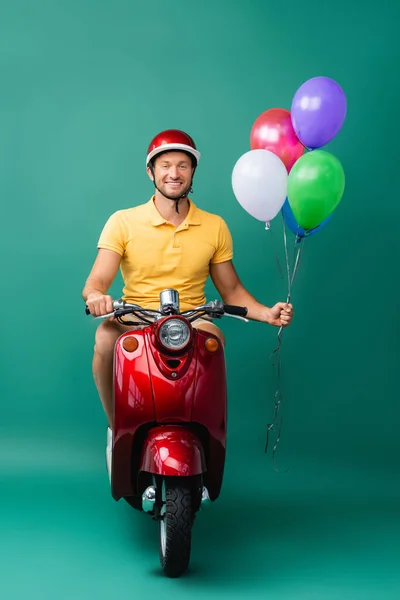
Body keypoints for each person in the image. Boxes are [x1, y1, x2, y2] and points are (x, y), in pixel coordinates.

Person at [82, 129, 294, 480]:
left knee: (213, 343)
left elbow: (233, 292)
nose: (174, 173)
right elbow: (96, 282)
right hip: (136, 315)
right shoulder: (123, 221)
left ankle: (205, 434)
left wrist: (266, 314)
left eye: (183, 165)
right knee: (105, 338)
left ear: (193, 172)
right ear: (151, 172)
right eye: (165, 165)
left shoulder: (214, 226)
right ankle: (118, 426)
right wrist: (96, 298)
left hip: (193, 317)